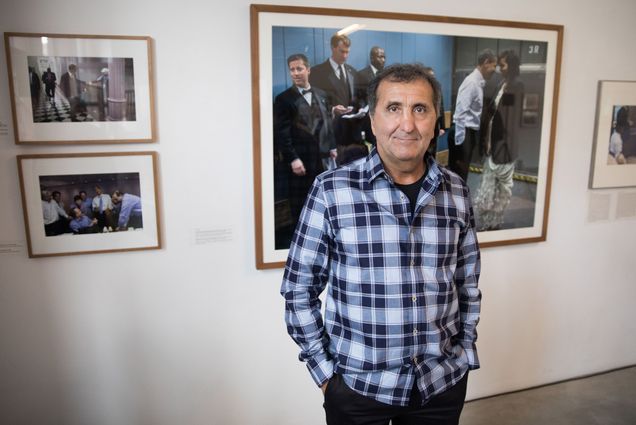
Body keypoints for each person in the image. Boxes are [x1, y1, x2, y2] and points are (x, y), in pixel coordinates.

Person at [281, 63, 481, 425]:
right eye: (393, 108)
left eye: (420, 109)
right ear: (372, 120)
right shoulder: (331, 191)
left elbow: (467, 284)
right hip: (358, 389)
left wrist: (464, 351)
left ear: (436, 121)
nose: (407, 124)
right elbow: (298, 291)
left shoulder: (456, 192)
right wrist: (326, 376)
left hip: (440, 386)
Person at [274, 53, 337, 231]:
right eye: (292, 70)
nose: (295, 73)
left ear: (308, 70)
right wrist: (293, 159)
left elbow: (327, 123)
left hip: (322, 159)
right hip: (300, 162)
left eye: (299, 68)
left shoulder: (322, 94)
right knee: (301, 204)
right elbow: (281, 133)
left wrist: (332, 146)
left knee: (322, 200)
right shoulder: (283, 99)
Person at [473, 50, 524, 231]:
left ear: (512, 66)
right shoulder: (503, 83)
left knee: (502, 188)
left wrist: (503, 142)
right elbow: (494, 111)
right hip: (493, 141)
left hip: (504, 145)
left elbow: (510, 118)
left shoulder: (517, 85)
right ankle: (488, 222)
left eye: (503, 65)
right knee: (489, 185)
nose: (500, 69)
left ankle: (495, 222)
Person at [450, 49, 497, 182]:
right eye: (494, 65)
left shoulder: (477, 83)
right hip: (462, 132)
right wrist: (460, 143)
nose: (494, 70)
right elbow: (460, 114)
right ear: (486, 63)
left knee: (462, 173)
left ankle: (460, 199)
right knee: (459, 172)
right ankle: (456, 201)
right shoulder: (471, 82)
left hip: (468, 132)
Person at [309, 34, 363, 147]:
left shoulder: (352, 71)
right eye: (342, 51)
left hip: (353, 132)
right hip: (331, 132)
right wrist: (332, 109)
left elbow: (358, 96)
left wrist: (361, 108)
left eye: (347, 52)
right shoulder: (317, 72)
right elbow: (312, 102)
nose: (345, 56)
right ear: (332, 48)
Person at [356, 46, 387, 147]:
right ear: (372, 58)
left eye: (384, 57)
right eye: (380, 57)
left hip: (384, 119)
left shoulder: (387, 75)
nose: (383, 60)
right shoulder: (361, 74)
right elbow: (358, 96)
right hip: (367, 120)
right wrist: (362, 108)